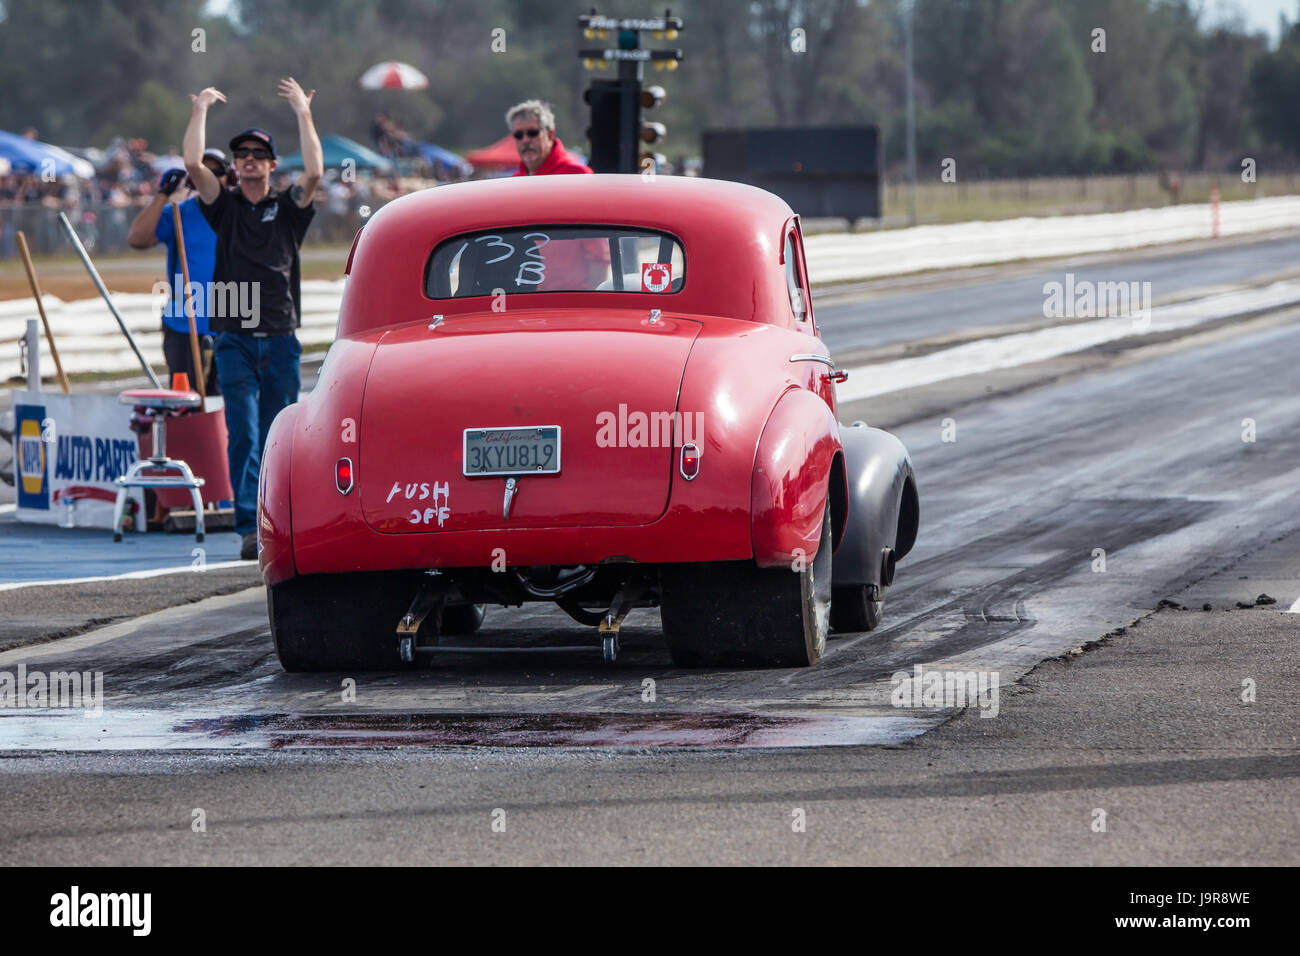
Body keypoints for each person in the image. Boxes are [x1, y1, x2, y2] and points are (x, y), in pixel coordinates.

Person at [184, 78, 323, 560]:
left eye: (257, 154)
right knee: (242, 430)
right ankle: (249, 525)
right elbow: (191, 164)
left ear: (270, 164)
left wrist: (304, 112)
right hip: (234, 336)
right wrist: (200, 109)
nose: (247, 160)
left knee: (279, 435)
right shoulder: (222, 208)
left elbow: (315, 172)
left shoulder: (286, 209)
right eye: (241, 154)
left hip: (281, 335)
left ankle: (279, 518)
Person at [126, 149, 230, 394]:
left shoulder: (238, 212)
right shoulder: (179, 212)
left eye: (217, 171)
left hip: (230, 324)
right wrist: (163, 194)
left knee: (226, 401)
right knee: (186, 400)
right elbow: (137, 238)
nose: (209, 177)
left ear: (229, 177)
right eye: (202, 171)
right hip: (184, 325)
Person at [506, 100, 592, 176]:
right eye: (518, 135)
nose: (525, 140)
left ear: (550, 135)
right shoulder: (514, 182)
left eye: (532, 133)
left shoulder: (578, 175)